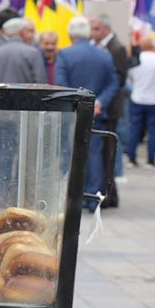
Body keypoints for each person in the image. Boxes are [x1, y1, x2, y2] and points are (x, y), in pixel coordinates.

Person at [55, 16, 120, 211]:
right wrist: (98, 102)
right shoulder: (104, 54)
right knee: (94, 155)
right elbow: (113, 83)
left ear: (69, 34)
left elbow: (61, 83)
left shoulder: (65, 54)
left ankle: (74, 198)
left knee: (71, 155)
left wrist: (78, 103)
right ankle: (93, 199)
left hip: (73, 112)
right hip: (96, 112)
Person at [0, 16, 48, 205]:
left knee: (3, 152)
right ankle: (19, 194)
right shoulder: (31, 53)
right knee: (25, 154)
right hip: (25, 113)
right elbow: (41, 82)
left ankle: (1, 191)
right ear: (19, 32)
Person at [90, 14, 131, 203]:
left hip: (110, 109)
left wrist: (103, 100)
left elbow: (120, 79)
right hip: (101, 106)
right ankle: (107, 193)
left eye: (96, 28)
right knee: (104, 153)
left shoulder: (117, 48)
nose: (92, 32)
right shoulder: (97, 47)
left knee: (108, 153)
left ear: (106, 29)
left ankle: (109, 195)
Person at [124, 37, 155, 168]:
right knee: (153, 131)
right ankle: (151, 160)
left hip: (137, 98)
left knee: (134, 129)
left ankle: (131, 158)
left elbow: (131, 79)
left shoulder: (136, 60)